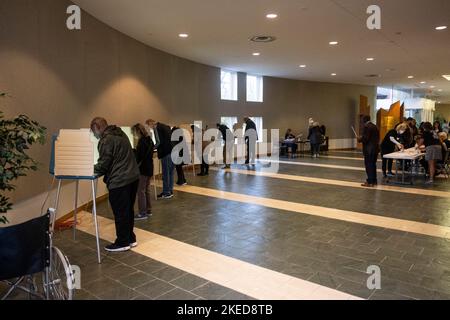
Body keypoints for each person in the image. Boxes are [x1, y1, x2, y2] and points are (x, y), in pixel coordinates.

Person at [91, 117, 140, 252]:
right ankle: (130, 238)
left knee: (120, 213)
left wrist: (89, 168)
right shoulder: (120, 133)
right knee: (128, 211)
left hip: (119, 181)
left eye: (93, 131)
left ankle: (122, 241)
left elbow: (104, 164)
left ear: (97, 127)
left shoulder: (106, 140)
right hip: (132, 177)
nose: (94, 135)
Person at [145, 119, 174, 199]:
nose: (149, 129)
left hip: (165, 153)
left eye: (148, 127)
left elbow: (158, 142)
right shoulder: (165, 126)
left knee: (166, 173)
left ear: (150, 124)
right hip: (172, 151)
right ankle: (170, 191)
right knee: (170, 172)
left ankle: (166, 192)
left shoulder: (156, 128)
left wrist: (151, 148)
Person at [131, 124, 155, 221]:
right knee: (146, 190)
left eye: (134, 132)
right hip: (149, 168)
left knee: (140, 191)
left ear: (137, 131)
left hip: (143, 169)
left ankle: (142, 212)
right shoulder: (149, 140)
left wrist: (133, 151)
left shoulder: (141, 142)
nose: (134, 134)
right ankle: (148, 210)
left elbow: (139, 157)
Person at [358, 115, 380, 187]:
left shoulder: (367, 127)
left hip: (369, 150)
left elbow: (366, 138)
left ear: (364, 120)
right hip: (375, 149)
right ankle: (374, 181)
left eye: (361, 120)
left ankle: (369, 181)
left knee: (368, 165)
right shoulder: (375, 126)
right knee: (373, 165)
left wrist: (359, 139)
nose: (361, 122)